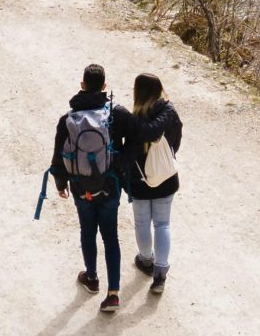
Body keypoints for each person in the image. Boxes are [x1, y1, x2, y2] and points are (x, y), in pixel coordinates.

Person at [50, 63, 140, 313]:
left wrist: (60, 182)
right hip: (109, 185)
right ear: (104, 86)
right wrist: (121, 164)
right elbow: (137, 137)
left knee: (87, 231)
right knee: (110, 236)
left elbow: (58, 154)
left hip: (81, 188)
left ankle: (91, 278)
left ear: (81, 85)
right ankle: (113, 294)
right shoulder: (115, 114)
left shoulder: (67, 120)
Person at [123, 72, 182, 294]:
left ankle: (146, 260)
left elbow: (128, 149)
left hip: (139, 180)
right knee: (162, 224)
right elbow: (176, 141)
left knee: (141, 223)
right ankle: (160, 276)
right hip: (166, 178)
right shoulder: (170, 112)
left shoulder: (135, 119)